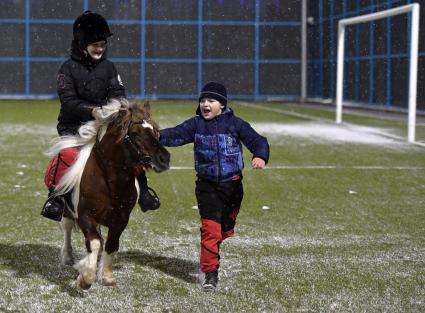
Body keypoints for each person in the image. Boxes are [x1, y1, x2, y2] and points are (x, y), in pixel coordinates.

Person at [41, 10, 160, 221]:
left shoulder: (109, 67)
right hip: (74, 127)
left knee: (131, 148)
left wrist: (117, 108)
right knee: (67, 155)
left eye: (103, 44)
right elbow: (68, 102)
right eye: (95, 45)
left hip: (105, 124)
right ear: (82, 44)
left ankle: (144, 191)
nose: (100, 49)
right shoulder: (66, 69)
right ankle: (56, 198)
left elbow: (119, 92)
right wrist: (92, 111)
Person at [159, 82, 270, 291]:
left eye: (211, 100)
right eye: (202, 100)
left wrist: (260, 156)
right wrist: (155, 135)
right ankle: (210, 274)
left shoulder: (236, 124)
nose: (205, 104)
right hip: (207, 187)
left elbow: (258, 140)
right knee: (210, 231)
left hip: (233, 188)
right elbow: (175, 134)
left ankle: (216, 246)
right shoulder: (196, 125)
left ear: (222, 104)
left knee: (223, 231)